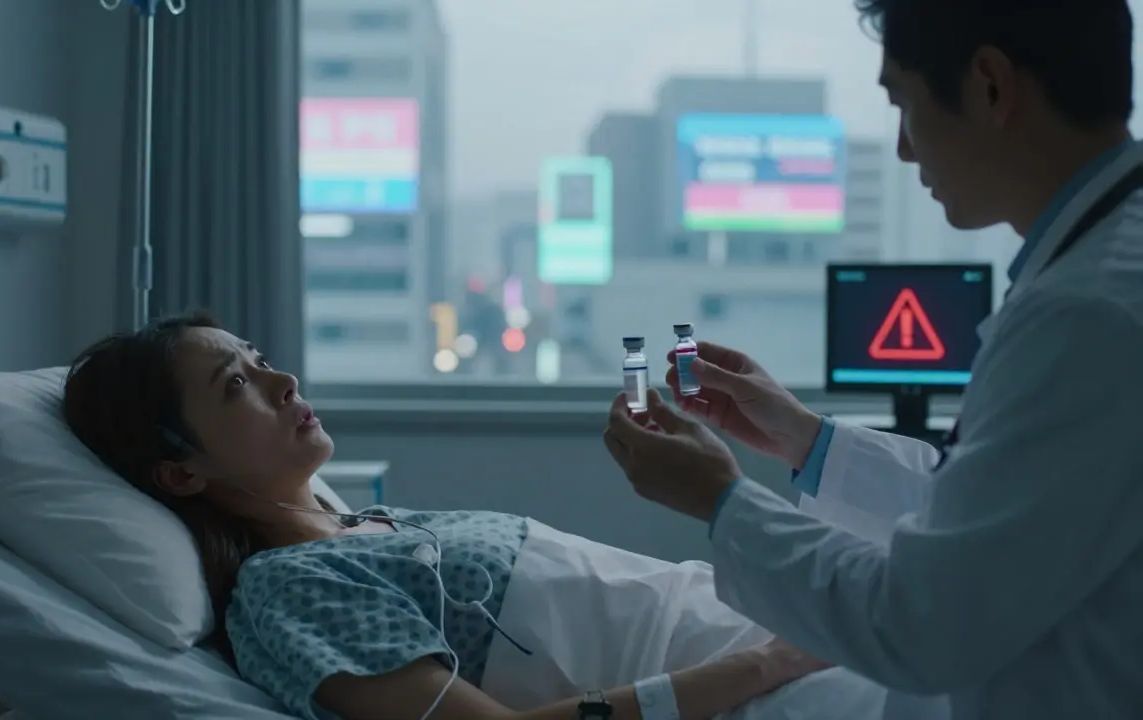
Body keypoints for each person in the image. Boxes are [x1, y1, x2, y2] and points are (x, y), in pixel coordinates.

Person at [603, 0, 1143, 718]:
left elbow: (926, 621)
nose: (903, 151)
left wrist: (722, 503)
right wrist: (809, 441)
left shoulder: (1087, 316)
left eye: (904, 105)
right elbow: (998, 514)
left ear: (989, 86)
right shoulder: (1099, 275)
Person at [61, 311, 894, 720]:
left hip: (777, 629)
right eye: (236, 385)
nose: (283, 382)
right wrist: (765, 666)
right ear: (180, 469)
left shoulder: (378, 526)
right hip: (757, 688)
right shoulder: (286, 594)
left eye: (262, 361)